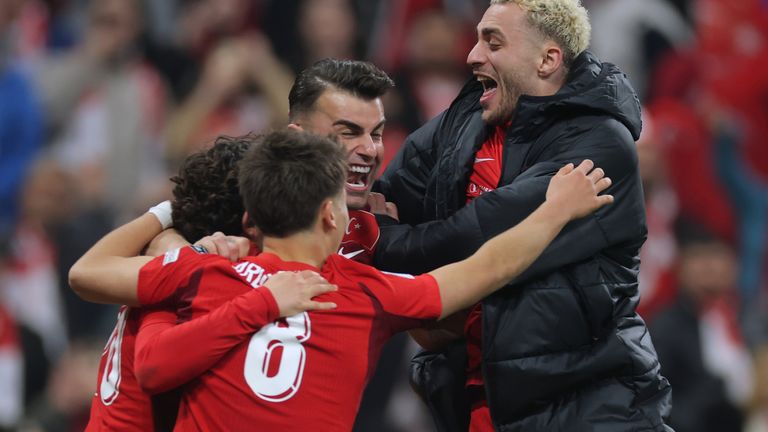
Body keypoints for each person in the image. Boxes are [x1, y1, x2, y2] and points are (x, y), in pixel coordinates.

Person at [72, 129, 612, 430]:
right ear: (333, 216)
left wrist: (171, 236)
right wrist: (556, 210)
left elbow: (95, 281)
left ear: (250, 219)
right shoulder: (365, 291)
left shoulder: (206, 268)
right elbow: (488, 267)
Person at [372, 0, 672, 430]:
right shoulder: (465, 121)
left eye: (493, 43)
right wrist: (380, 234)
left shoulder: (600, 144)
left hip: (588, 406)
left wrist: (385, 243)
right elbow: (384, 197)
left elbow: (481, 237)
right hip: (482, 399)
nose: (472, 55)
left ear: (547, 59)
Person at [73, 137, 338, 431]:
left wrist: (170, 215)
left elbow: (86, 269)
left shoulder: (174, 261)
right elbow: (84, 275)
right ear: (252, 222)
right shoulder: (205, 278)